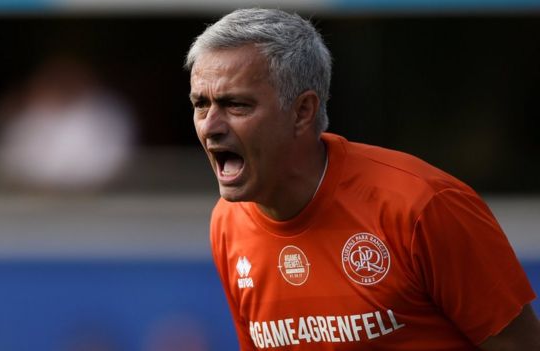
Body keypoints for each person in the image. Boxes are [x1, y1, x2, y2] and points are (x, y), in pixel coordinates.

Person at [185, 8, 539, 350]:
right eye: (201, 104)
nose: (210, 126)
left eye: (236, 105)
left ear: (302, 111)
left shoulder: (421, 205)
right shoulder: (228, 224)